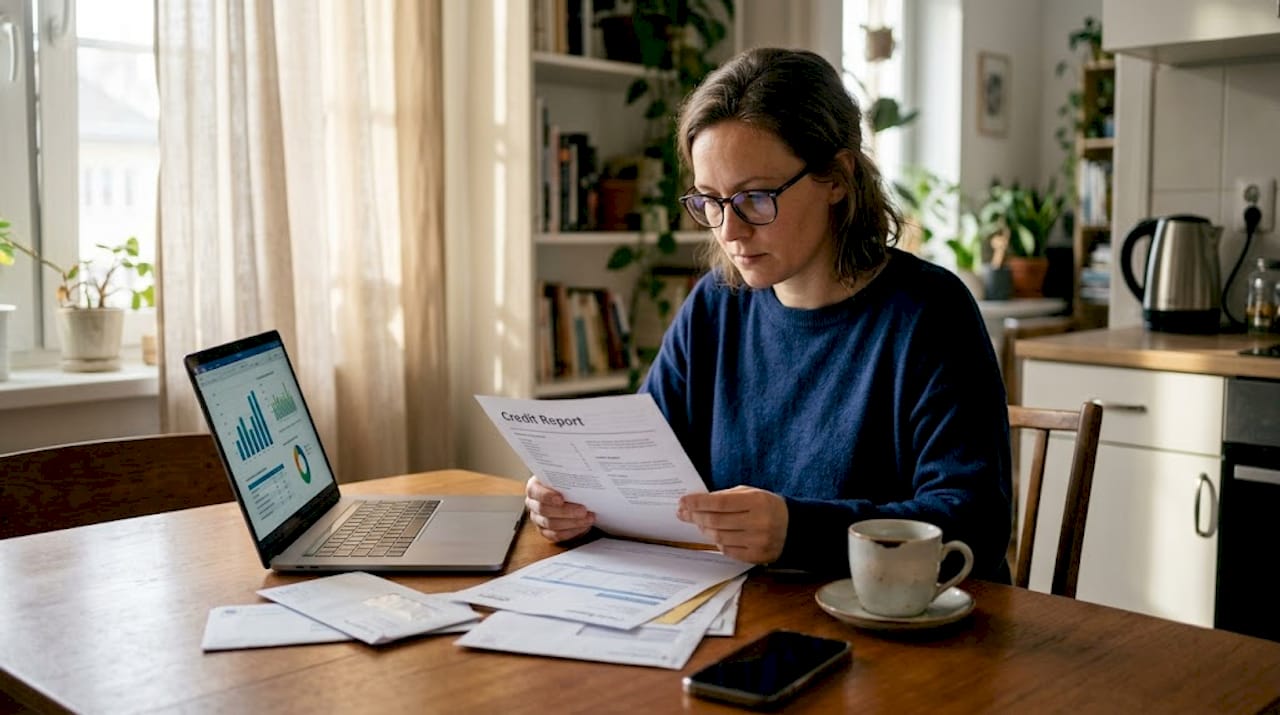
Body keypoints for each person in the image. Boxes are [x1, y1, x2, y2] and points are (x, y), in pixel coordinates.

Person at [525, 47, 1012, 581]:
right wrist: (578, 504)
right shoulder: (716, 304)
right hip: (746, 614)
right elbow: (642, 469)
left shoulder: (929, 313)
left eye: (755, 198)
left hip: (901, 636)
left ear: (838, 178)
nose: (729, 230)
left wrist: (797, 530)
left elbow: (975, 523)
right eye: (710, 200)